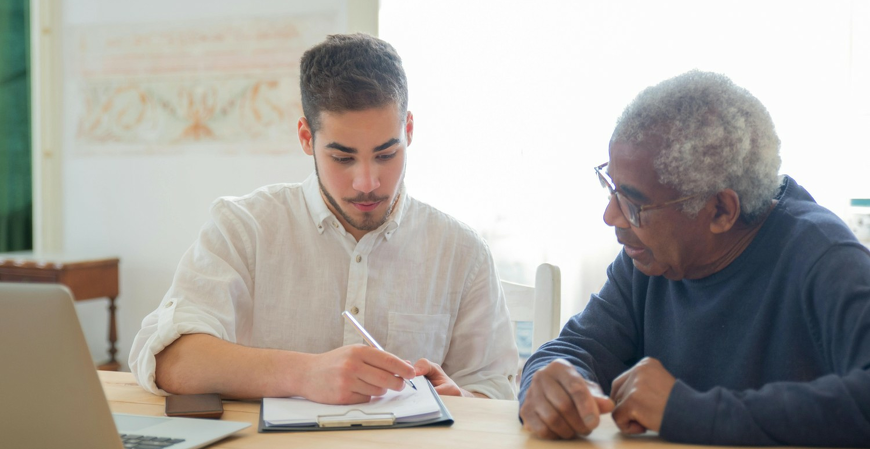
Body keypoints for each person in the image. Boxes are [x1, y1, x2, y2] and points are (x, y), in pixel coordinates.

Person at [129, 33, 518, 404]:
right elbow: (167, 358)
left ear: (409, 130)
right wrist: (304, 373)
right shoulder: (244, 227)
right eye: (342, 157)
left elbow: (496, 392)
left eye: (386, 154)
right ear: (305, 138)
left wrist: (460, 399)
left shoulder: (462, 252)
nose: (367, 182)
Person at [518, 70, 870, 446]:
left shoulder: (825, 259)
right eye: (611, 188)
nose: (612, 217)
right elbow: (575, 348)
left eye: (633, 204)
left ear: (720, 210)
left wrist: (686, 411)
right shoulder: (649, 259)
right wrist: (549, 380)